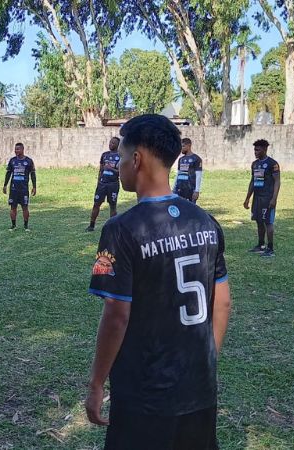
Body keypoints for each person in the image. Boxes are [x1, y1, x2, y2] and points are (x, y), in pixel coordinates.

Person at [85, 114, 231, 449]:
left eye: (121, 158)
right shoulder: (207, 222)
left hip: (144, 395)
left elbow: (117, 315)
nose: (118, 165)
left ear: (136, 160)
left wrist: (96, 384)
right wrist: (205, 364)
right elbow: (222, 303)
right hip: (199, 387)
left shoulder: (121, 229)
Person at [243, 139, 280, 257]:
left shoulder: (272, 164)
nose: (255, 152)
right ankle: (260, 245)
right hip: (257, 198)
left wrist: (274, 198)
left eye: (258, 150)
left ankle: (270, 249)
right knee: (259, 221)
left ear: (265, 149)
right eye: (254, 149)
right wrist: (247, 198)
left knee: (268, 222)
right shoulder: (255, 164)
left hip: (267, 198)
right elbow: (253, 181)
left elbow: (277, 182)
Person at [87, 137, 121, 232]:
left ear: (118, 145)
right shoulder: (104, 155)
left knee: (112, 205)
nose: (111, 144)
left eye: (113, 143)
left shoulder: (120, 156)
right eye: (110, 142)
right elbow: (101, 169)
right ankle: (91, 225)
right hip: (102, 184)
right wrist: (98, 181)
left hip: (113, 184)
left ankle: (112, 227)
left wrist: (110, 169)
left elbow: (121, 172)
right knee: (96, 204)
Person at [3, 143, 36, 231]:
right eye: (15, 149)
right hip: (14, 189)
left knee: (25, 207)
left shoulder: (29, 161)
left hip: (24, 189)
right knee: (13, 207)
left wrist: (34, 186)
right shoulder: (12, 161)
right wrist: (5, 185)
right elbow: (8, 173)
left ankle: (26, 226)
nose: (16, 151)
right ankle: (13, 225)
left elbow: (33, 174)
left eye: (18, 149)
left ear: (22, 149)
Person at [173, 138, 203, 203]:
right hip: (179, 189)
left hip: (190, 189)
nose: (181, 148)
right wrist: (174, 188)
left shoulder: (196, 159)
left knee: (191, 209)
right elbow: (178, 173)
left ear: (189, 146)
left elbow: (199, 175)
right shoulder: (181, 159)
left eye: (183, 146)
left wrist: (197, 191)